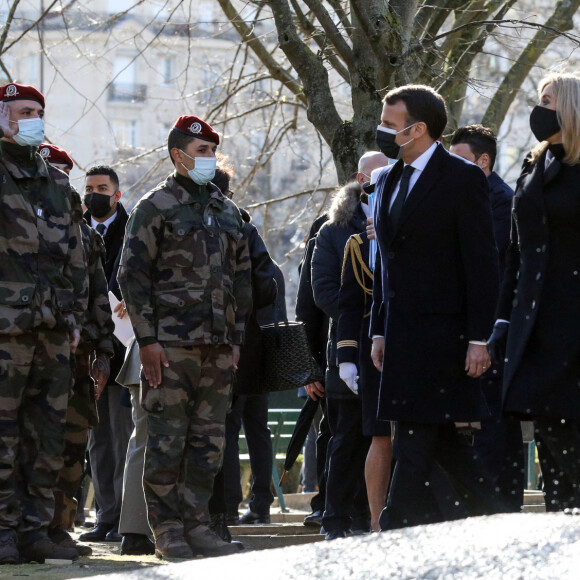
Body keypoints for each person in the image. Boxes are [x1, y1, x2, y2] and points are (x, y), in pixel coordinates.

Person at [370, 84, 504, 530]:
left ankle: (391, 534)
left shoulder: (462, 177)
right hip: (402, 337)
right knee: (443, 446)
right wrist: (378, 329)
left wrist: (478, 338)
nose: (382, 132)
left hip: (445, 340)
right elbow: (387, 266)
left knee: (414, 439)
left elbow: (481, 265)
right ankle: (500, 524)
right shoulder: (387, 179)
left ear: (419, 128)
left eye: (390, 125)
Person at [118, 115, 252, 559]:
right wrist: (148, 341)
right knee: (166, 440)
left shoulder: (227, 210)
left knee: (208, 443)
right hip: (170, 346)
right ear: (178, 155)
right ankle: (167, 530)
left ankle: (197, 525)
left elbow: (243, 279)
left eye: (213, 151)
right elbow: (131, 276)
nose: (209, 159)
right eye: (201, 152)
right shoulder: (154, 206)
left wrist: (235, 340)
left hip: (217, 348)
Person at [0, 83, 88, 563]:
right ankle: (2, 531)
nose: (31, 118)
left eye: (37, 111)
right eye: (21, 111)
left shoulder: (57, 184)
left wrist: (72, 317)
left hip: (52, 330)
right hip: (4, 329)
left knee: (46, 436)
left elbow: (74, 257)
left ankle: (35, 530)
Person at [487, 73, 580, 511]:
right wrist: (504, 317)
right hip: (533, 323)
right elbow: (515, 252)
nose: (538, 109)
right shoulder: (534, 164)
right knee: (548, 430)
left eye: (547, 100)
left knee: (569, 434)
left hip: (572, 322)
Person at [36, 144, 115, 557]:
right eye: (52, 170)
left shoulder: (86, 234)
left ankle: (60, 528)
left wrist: (103, 351)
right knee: (32, 444)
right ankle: (22, 528)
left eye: (64, 172)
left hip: (79, 356)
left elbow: (99, 296)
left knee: (72, 444)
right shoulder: (27, 226)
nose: (58, 178)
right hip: (37, 351)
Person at [312, 151, 389, 540]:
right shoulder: (333, 231)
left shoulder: (400, 216)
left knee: (384, 437)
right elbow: (325, 293)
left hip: (392, 346)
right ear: (361, 178)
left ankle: (371, 517)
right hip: (349, 344)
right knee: (346, 439)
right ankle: (335, 519)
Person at [450, 125, 525, 511]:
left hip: (493, 333)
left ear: (484, 161)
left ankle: (500, 505)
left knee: (496, 425)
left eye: (460, 161)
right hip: (473, 329)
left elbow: (487, 266)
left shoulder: (501, 203)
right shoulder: (469, 197)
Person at [207, 166, 279, 529]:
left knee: (229, 425)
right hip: (254, 343)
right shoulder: (247, 229)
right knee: (256, 427)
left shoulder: (227, 228)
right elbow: (271, 284)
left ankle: (229, 506)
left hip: (229, 345)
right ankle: (260, 504)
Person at [79, 166, 132, 544]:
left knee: (121, 435)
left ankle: (123, 517)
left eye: (102, 188)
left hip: (124, 348)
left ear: (116, 194)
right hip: (86, 347)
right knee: (97, 437)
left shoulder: (132, 228)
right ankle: (104, 515)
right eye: (89, 188)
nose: (94, 194)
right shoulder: (76, 228)